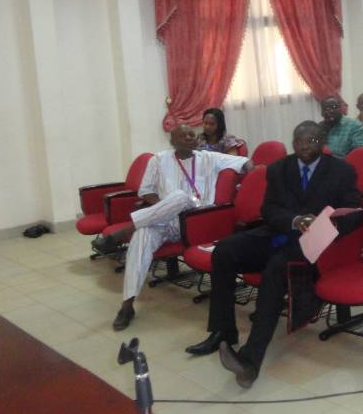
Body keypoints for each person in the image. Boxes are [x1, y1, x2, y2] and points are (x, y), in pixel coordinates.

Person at [188, 122, 363, 388]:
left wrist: (326, 224)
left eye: (312, 140)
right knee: (224, 251)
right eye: (300, 141)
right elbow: (269, 210)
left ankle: (249, 362)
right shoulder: (278, 169)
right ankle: (223, 332)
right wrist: (294, 220)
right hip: (278, 234)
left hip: (313, 244)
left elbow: (356, 212)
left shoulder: (341, 170)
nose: (305, 146)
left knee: (276, 268)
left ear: (322, 142)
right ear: (293, 142)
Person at [97, 125, 254, 331]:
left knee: (181, 197)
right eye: (183, 135)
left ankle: (125, 230)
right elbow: (146, 192)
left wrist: (254, 174)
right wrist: (164, 208)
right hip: (165, 221)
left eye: (191, 135)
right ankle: (127, 305)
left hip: (197, 221)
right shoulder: (158, 160)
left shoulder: (210, 157)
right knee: (142, 236)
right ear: (172, 142)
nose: (189, 138)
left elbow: (245, 162)